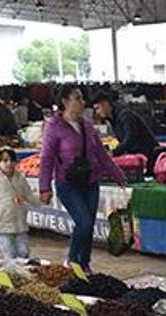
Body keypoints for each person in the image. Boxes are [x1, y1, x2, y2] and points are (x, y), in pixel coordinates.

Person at [38, 85, 127, 272]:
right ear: (65, 102)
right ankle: (71, 260)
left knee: (89, 225)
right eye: (77, 98)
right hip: (67, 184)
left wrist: (118, 175)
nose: (82, 102)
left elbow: (101, 154)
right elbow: (46, 158)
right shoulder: (54, 127)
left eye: (81, 98)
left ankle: (84, 264)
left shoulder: (87, 126)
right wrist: (44, 187)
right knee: (83, 222)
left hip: (91, 182)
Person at [0, 147, 41, 261]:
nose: (9, 164)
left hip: (19, 223)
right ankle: (12, 275)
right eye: (5, 161)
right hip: (1, 224)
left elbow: (29, 195)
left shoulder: (20, 178)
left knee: (24, 252)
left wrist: (42, 200)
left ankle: (25, 275)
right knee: (10, 253)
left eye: (12, 160)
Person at [90, 90, 158, 160]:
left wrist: (114, 152)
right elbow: (120, 141)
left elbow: (130, 139)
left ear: (105, 104)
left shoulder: (125, 115)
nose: (97, 112)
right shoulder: (113, 119)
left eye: (98, 108)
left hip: (148, 157)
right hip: (137, 157)